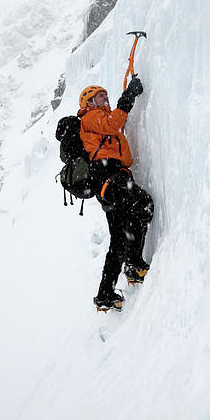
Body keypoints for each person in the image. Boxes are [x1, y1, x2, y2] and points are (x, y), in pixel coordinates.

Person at [78, 78, 154, 310]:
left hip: (109, 183)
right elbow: (113, 123)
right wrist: (128, 96)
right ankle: (133, 264)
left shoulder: (99, 122)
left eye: (105, 94)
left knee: (119, 239)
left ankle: (105, 294)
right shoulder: (91, 118)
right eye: (100, 96)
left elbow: (125, 154)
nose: (105, 97)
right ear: (89, 102)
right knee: (143, 204)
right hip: (110, 177)